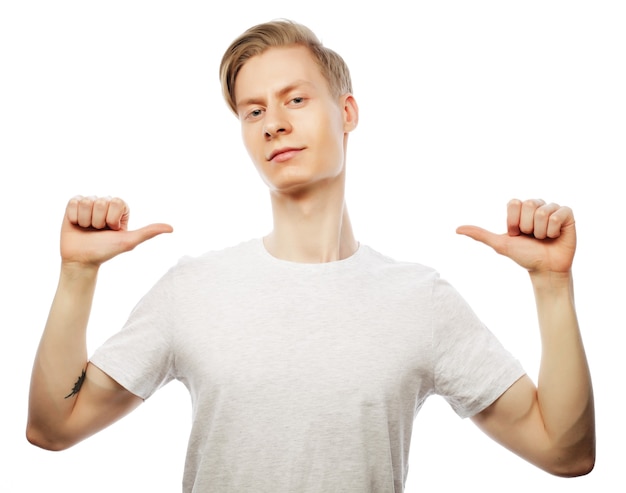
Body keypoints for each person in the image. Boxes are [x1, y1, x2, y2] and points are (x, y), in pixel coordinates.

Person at [27, 19, 595, 492]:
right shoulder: (193, 289)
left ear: (347, 113)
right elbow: (54, 428)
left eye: (295, 99)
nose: (274, 123)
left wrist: (552, 285)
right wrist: (77, 273)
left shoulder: (420, 300)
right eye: (253, 112)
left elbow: (565, 453)